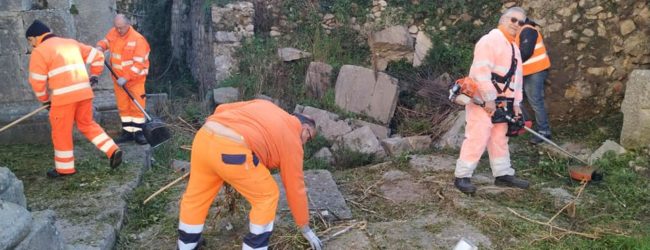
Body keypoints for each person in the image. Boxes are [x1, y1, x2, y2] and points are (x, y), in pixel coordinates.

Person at [177, 99, 323, 250]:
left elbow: (222, 108)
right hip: (232, 150)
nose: (306, 142)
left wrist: (217, 131)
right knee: (267, 195)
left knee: (196, 196)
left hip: (203, 138)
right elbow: (295, 187)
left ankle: (186, 245)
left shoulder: (265, 105)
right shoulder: (293, 139)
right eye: (309, 137)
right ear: (305, 128)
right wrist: (304, 226)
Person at [25, 20, 122, 178]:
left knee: (61, 132)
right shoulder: (70, 43)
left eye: (30, 42)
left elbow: (37, 81)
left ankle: (65, 169)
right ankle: (112, 150)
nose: (31, 46)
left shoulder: (40, 51)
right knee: (88, 125)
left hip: (63, 100)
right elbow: (98, 56)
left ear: (35, 38)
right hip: (84, 94)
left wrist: (45, 99)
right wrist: (94, 75)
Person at [453, 7, 530, 194]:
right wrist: (489, 98)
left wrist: (517, 104)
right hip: (484, 100)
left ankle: (503, 174)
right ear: (503, 20)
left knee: (499, 137)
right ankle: (462, 176)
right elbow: (481, 71)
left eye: (521, 22)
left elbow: (517, 79)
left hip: (505, 102)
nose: (517, 25)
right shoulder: (489, 41)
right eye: (513, 20)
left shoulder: (514, 48)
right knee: (477, 136)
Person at [96, 14, 151, 145]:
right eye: (116, 27)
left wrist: (126, 78)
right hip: (118, 80)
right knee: (123, 107)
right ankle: (127, 133)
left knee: (136, 107)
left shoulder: (138, 40)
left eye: (121, 28)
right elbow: (106, 41)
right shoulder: (114, 32)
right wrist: (100, 47)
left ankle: (138, 133)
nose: (118, 30)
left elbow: (139, 65)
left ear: (128, 25)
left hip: (135, 80)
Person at [516, 18, 552, 144]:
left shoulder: (527, 30)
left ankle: (544, 132)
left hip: (535, 71)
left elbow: (525, 52)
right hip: (529, 72)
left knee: (536, 101)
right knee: (519, 99)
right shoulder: (522, 32)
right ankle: (522, 126)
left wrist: (510, 62)